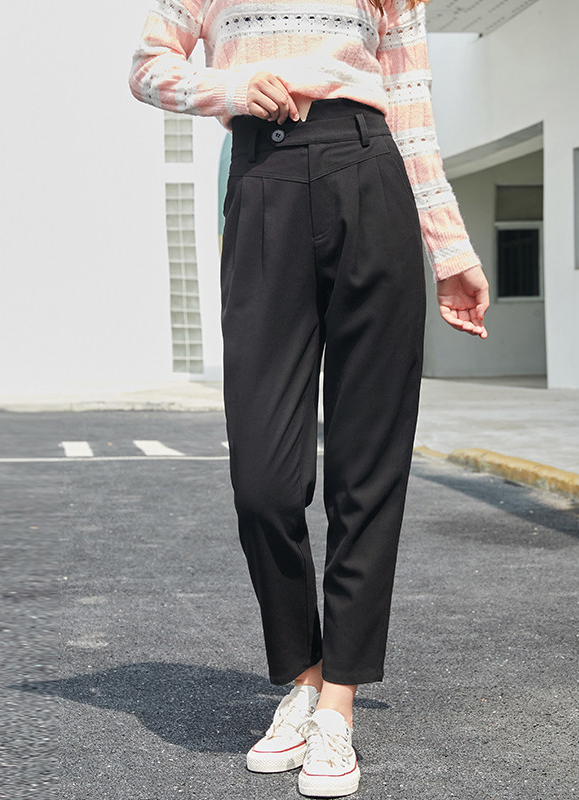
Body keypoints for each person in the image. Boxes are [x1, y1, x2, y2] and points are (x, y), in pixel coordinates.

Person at [130, 0, 489, 795]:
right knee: (263, 482)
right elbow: (149, 70)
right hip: (263, 182)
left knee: (368, 466)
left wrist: (450, 249)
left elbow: (412, 110)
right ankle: (302, 672)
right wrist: (230, 90)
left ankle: (336, 702)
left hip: (372, 173)